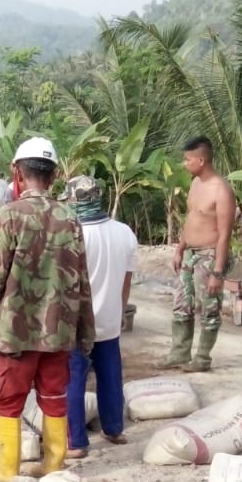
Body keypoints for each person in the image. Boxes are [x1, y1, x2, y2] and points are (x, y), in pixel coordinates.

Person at [0, 137, 94, 482]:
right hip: (58, 332)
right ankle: (53, 464)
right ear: (53, 175)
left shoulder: (8, 216)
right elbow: (82, 281)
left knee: (7, 398)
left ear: (16, 173)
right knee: (54, 395)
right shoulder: (70, 219)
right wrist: (86, 331)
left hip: (14, 332)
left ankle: (9, 470)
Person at [61, 176, 138, 458]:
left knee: (73, 381)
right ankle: (114, 428)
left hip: (78, 325)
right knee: (110, 376)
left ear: (73, 201)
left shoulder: (72, 235)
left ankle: (76, 442)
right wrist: (119, 309)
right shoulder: (124, 232)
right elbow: (126, 281)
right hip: (110, 319)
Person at [159, 137, 236, 372]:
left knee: (209, 307)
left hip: (210, 255)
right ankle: (180, 353)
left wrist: (217, 272)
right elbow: (191, 219)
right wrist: (180, 248)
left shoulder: (221, 190)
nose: (185, 163)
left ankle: (202, 358)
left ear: (201, 160)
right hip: (190, 254)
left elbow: (224, 235)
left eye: (188, 159)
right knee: (182, 305)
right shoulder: (195, 184)